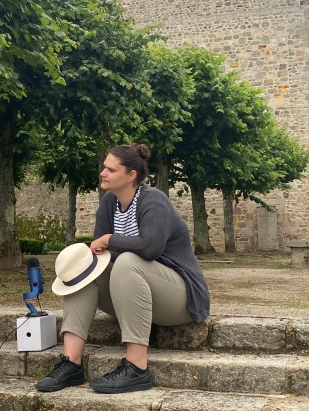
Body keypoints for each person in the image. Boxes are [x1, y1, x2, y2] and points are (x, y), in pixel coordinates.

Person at [37, 143, 210, 394]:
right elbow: (99, 257)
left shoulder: (154, 200)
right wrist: (104, 245)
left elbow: (150, 248)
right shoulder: (109, 203)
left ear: (131, 176)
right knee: (82, 270)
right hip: (135, 292)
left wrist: (109, 239)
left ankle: (137, 367)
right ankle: (71, 363)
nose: (103, 173)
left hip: (180, 297)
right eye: (103, 168)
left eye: (110, 169)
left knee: (128, 261)